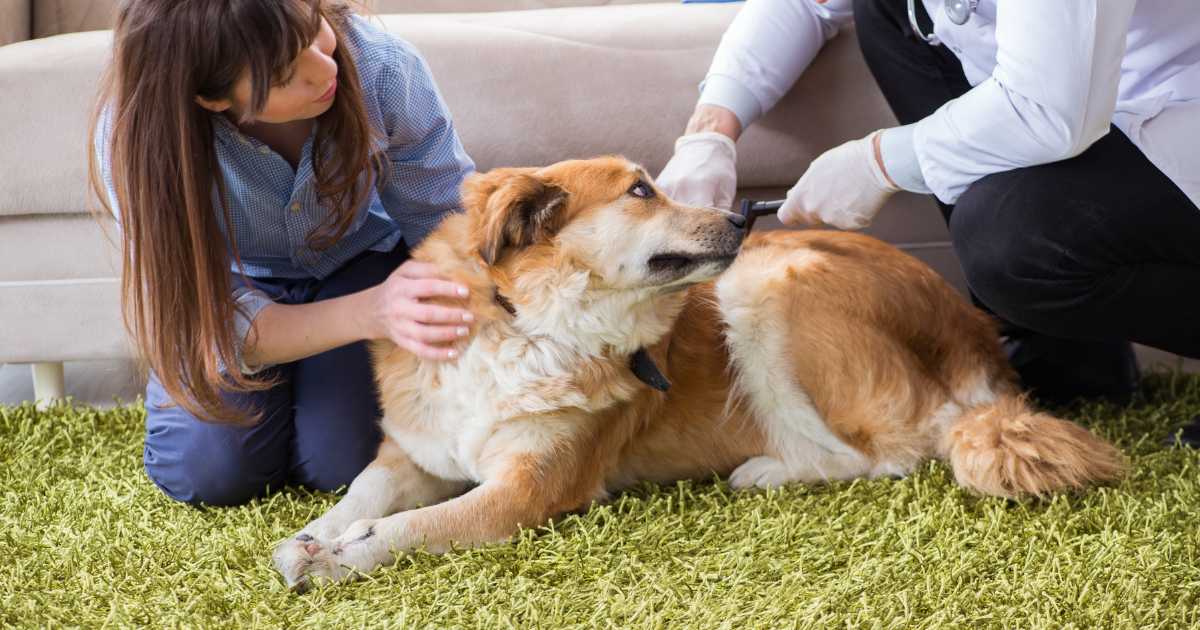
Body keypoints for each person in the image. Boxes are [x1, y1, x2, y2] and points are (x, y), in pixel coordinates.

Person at [659, 0, 1200, 416]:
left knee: (1010, 242)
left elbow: (1050, 109)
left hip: (1176, 109)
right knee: (888, 9)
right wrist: (711, 132)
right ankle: (1072, 360)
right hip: (1086, 110)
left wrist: (880, 161)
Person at [89, 0, 477, 506]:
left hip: (361, 265)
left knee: (343, 462)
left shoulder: (383, 67)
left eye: (313, 29)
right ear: (208, 97)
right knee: (209, 475)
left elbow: (445, 221)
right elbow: (204, 321)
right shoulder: (139, 140)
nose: (325, 69)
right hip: (227, 291)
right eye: (284, 73)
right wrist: (369, 314)